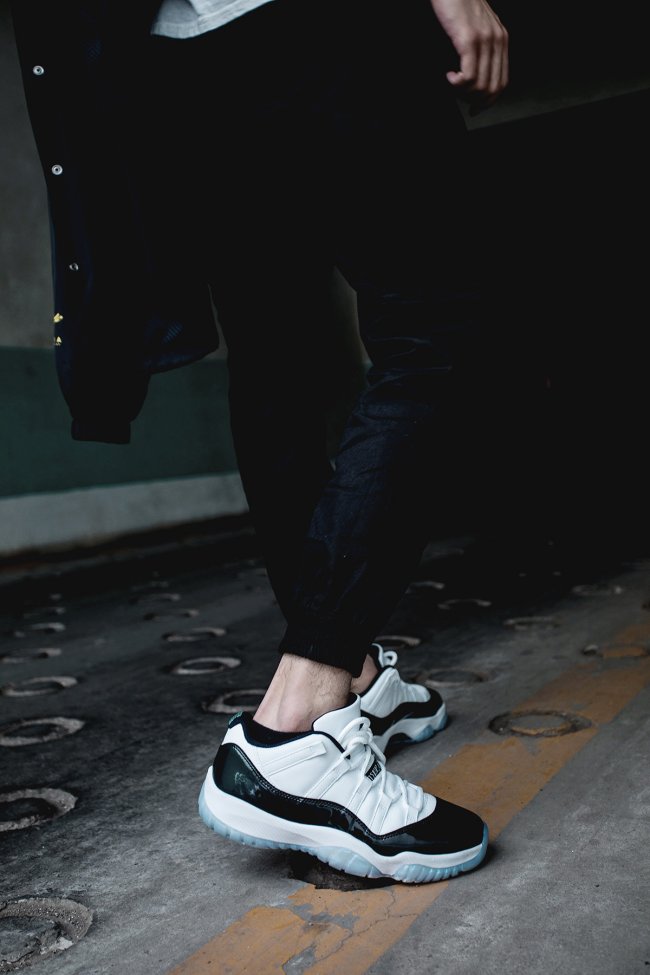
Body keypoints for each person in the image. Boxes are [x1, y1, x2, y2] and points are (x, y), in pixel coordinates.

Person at [12, 0, 508, 883]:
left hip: (177, 66)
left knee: (276, 367)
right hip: (316, 25)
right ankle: (297, 726)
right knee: (437, 333)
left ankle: (356, 675)